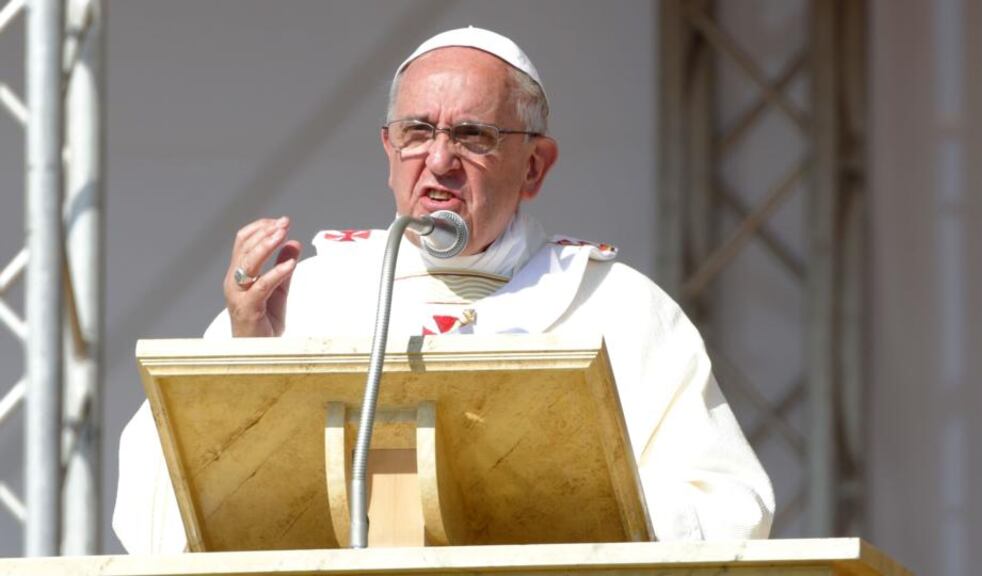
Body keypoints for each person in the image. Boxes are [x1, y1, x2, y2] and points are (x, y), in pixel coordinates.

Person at [114, 26, 774, 553]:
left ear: (535, 166)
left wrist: (569, 506)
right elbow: (154, 511)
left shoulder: (619, 310)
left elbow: (731, 509)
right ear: (388, 150)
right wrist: (245, 357)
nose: (438, 162)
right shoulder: (304, 296)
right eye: (417, 133)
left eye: (472, 136)